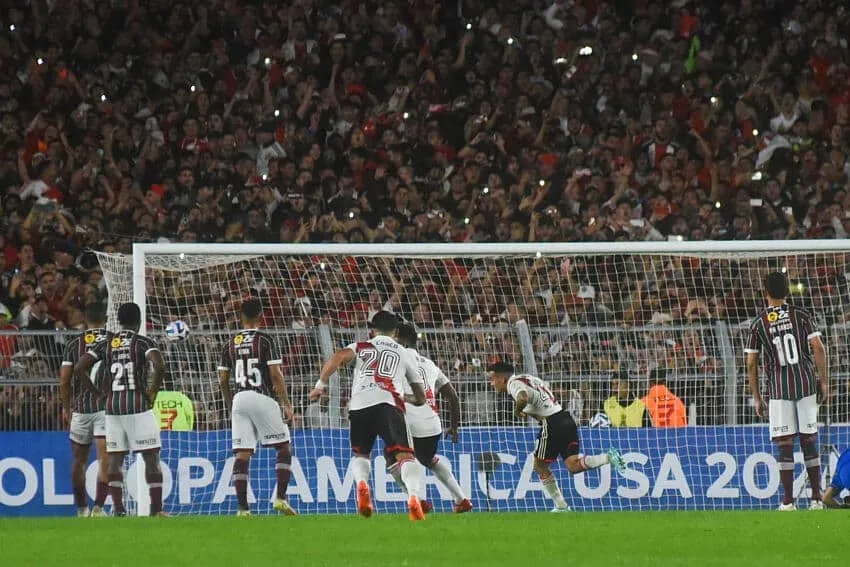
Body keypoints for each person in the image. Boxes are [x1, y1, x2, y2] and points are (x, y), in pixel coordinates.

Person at [310, 310, 428, 521]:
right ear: (396, 331)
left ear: (372, 330)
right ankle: (413, 498)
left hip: (360, 404)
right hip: (389, 403)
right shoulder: (403, 352)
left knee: (361, 455)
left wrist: (320, 385)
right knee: (405, 457)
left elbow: (337, 357)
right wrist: (407, 398)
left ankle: (362, 484)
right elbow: (421, 396)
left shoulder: (362, 346)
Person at [488, 362, 625, 512]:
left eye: (493, 379)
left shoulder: (513, 384)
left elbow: (522, 398)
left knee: (539, 466)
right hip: (566, 419)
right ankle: (607, 457)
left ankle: (561, 506)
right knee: (573, 466)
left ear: (502, 379)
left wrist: (517, 410)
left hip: (551, 423)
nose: (491, 383)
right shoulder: (528, 378)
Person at [745, 271, 829, 511]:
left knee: (785, 444)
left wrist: (757, 396)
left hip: (778, 387)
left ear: (766, 293)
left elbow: (751, 362)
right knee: (809, 439)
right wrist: (824, 382)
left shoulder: (759, 322)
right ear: (788, 291)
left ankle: (788, 502)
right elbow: (818, 348)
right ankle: (815, 499)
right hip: (805, 382)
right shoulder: (801, 315)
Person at [75, 302, 166, 517]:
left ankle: (118, 510)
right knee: (151, 458)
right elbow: (159, 365)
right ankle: (156, 511)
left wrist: (98, 393)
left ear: (119, 320)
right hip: (138, 406)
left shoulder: (107, 344)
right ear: (139, 321)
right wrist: (153, 391)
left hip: (113, 408)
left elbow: (79, 368)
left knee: (115, 460)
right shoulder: (143, 342)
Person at [218, 298, 296, 516]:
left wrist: (229, 403)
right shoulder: (265, 340)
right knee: (283, 447)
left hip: (239, 399)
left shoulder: (229, 343)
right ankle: (280, 498)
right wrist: (287, 404)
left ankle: (243, 510)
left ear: (240, 317)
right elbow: (275, 375)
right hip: (262, 396)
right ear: (260, 316)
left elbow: (223, 380)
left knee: (242, 454)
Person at [394, 322, 472, 514]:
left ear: (400, 339)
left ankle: (418, 499)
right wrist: (454, 427)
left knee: (393, 461)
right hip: (432, 425)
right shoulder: (429, 364)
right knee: (427, 459)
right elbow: (453, 397)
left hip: (408, 421)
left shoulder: (396, 359)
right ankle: (462, 500)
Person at [59, 302, 110, 517]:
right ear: (106, 319)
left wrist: (66, 408)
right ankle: (98, 508)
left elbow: (64, 381)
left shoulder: (74, 344)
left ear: (85, 320)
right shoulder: (113, 341)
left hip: (80, 409)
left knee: (79, 461)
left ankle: (81, 509)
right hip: (106, 408)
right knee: (105, 460)